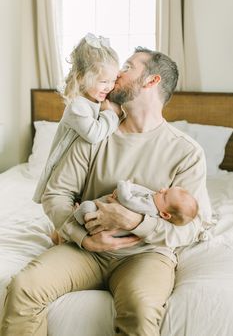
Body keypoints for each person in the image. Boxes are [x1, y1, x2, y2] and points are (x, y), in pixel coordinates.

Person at [0, 47, 213, 336]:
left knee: (141, 311)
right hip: (84, 249)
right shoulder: (95, 134)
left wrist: (136, 222)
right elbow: (56, 195)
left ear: (151, 82)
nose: (115, 75)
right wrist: (83, 238)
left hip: (145, 255)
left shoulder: (186, 152)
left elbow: (191, 228)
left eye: (127, 67)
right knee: (24, 288)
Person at [33, 32, 123, 203]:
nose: (109, 87)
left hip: (82, 168)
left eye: (112, 80)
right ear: (82, 78)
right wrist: (111, 113)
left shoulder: (97, 100)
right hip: (64, 170)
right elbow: (94, 134)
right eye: (103, 81)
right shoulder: (77, 106)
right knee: (63, 204)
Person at [73, 180, 198, 231]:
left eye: (165, 195)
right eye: (167, 189)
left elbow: (128, 200)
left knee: (86, 208)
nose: (161, 190)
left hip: (98, 213)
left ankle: (76, 216)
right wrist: (131, 186)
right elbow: (139, 189)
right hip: (103, 209)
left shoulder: (150, 207)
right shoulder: (155, 200)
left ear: (164, 214)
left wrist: (123, 185)